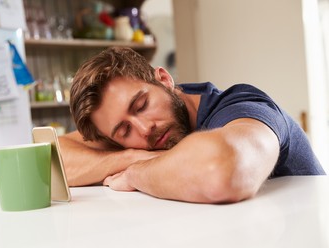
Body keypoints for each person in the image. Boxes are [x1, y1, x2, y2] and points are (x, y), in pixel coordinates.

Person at [58, 47, 326, 203]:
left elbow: (223, 170)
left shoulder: (242, 106)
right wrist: (130, 156)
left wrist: (134, 173)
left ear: (163, 79)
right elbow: (49, 156)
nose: (144, 129)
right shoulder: (138, 140)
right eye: (124, 131)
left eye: (141, 105)